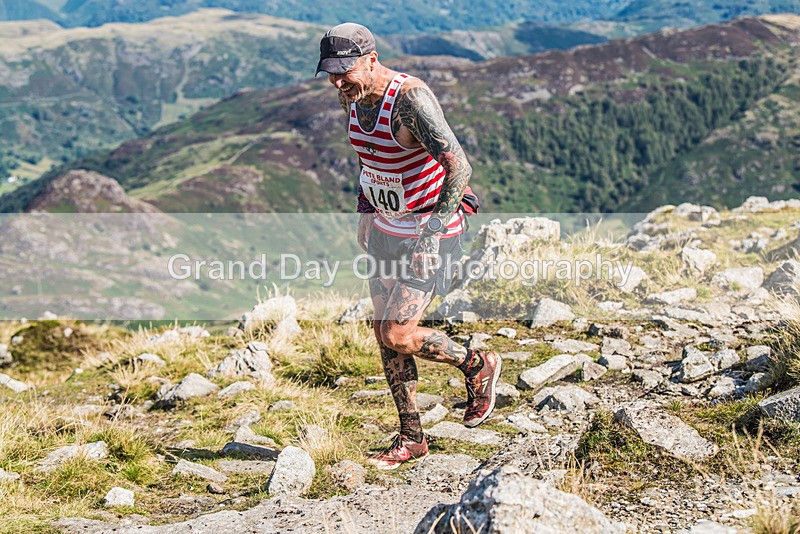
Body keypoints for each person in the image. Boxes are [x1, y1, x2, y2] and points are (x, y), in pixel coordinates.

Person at [316, 23, 502, 470]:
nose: (339, 81)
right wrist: (365, 208)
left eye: (346, 71)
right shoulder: (353, 96)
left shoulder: (410, 101)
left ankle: (476, 364)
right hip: (385, 228)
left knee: (400, 333)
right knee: (384, 337)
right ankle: (412, 436)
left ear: (372, 60)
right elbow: (369, 157)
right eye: (331, 73)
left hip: (429, 232)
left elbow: (459, 166)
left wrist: (431, 236)